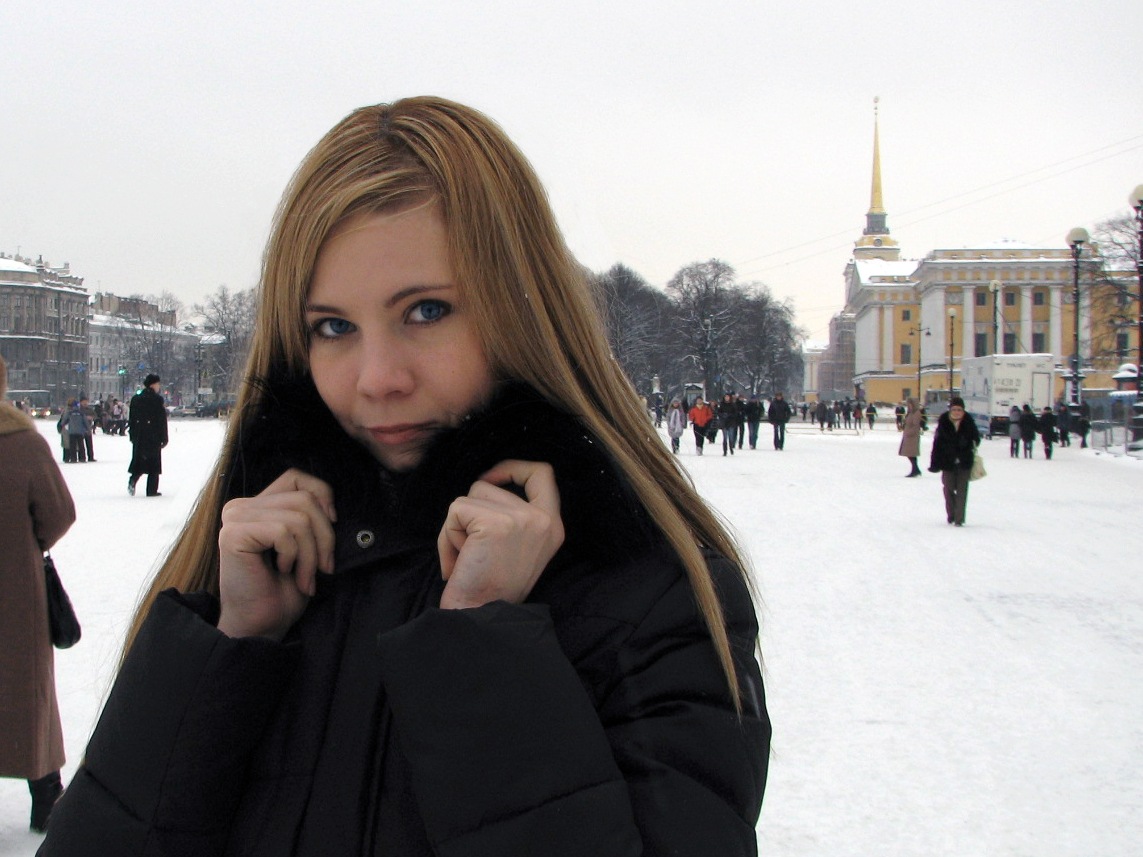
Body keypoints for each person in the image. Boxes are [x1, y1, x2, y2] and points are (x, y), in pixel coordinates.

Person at [42, 97, 769, 855]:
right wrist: (230, 650)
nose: (377, 378)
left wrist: (483, 646)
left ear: (525, 311)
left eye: (426, 311)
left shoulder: (649, 597)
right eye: (334, 326)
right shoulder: (245, 578)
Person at [0, 354, 77, 833]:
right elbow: (59, 512)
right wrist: (27, 546)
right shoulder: (23, 443)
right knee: (26, 688)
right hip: (14, 592)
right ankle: (45, 793)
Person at [928, 396, 981, 526]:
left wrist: (967, 442)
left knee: (962, 491)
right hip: (947, 461)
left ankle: (959, 518)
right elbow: (937, 444)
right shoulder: (943, 422)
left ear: (963, 410)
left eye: (959, 410)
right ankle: (951, 513)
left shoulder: (968, 422)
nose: (957, 412)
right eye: (954, 409)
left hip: (964, 461)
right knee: (948, 488)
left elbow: (976, 439)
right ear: (950, 410)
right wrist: (934, 463)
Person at [127, 373, 169, 496]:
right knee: (153, 465)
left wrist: (132, 434)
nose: (159, 386)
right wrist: (164, 437)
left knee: (140, 461)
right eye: (158, 384)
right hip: (153, 436)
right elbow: (161, 420)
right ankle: (151, 490)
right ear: (153, 384)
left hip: (140, 435)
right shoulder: (157, 399)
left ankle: (133, 479)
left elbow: (132, 418)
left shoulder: (136, 399)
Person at [898, 397, 924, 476]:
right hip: (908, 437)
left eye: (910, 404)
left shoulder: (916, 413)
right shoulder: (910, 413)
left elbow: (916, 426)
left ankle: (915, 470)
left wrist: (909, 432)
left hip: (912, 437)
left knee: (911, 454)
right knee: (910, 454)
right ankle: (916, 469)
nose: (908, 406)